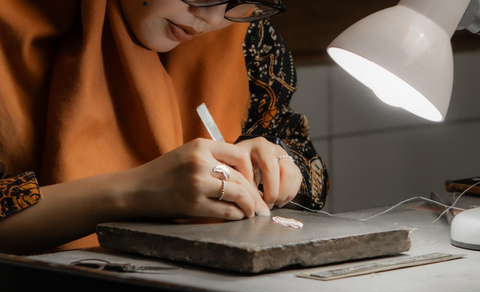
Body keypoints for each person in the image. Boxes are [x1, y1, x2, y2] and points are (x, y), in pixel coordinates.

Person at [0, 0, 329, 254]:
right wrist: (138, 191)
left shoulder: (241, 30)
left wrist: (275, 163)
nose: (212, 18)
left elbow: (311, 173)